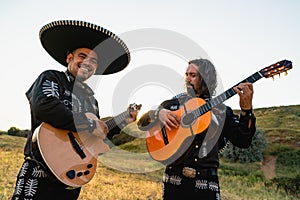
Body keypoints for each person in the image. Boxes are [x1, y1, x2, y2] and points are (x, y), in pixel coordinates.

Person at [11, 20, 138, 200]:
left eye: (93, 60)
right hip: (40, 172)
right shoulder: (51, 78)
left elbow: (94, 138)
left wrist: (122, 121)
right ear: (69, 58)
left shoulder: (91, 100)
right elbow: (44, 106)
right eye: (82, 56)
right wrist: (87, 124)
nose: (87, 62)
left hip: (71, 177)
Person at [137, 58, 256, 199]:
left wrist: (246, 110)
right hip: (173, 182)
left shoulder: (222, 111)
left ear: (206, 78)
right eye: (186, 75)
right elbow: (142, 124)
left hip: (206, 186)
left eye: (193, 75)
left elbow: (243, 140)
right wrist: (158, 113)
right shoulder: (174, 104)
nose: (187, 79)